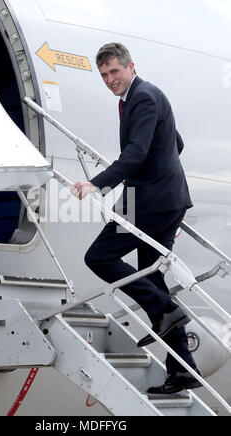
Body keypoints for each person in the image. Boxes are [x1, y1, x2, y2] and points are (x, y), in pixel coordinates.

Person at [71, 42, 202, 394]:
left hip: (151, 201)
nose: (110, 79)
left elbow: (137, 152)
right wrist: (152, 169)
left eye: (114, 71)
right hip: (163, 197)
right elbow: (175, 142)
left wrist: (95, 184)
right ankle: (184, 369)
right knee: (152, 277)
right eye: (104, 75)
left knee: (98, 256)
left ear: (131, 67)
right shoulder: (140, 97)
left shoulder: (142, 97)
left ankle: (163, 308)